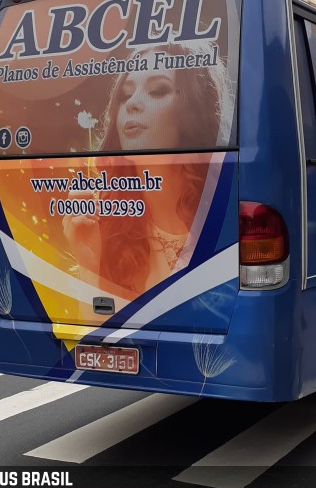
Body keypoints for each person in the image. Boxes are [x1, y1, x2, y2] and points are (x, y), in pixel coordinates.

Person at [62, 40, 232, 297]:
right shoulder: (106, 226)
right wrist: (89, 267)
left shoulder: (229, 210)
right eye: (125, 95)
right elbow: (94, 333)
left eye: (157, 91)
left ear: (194, 109)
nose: (132, 104)